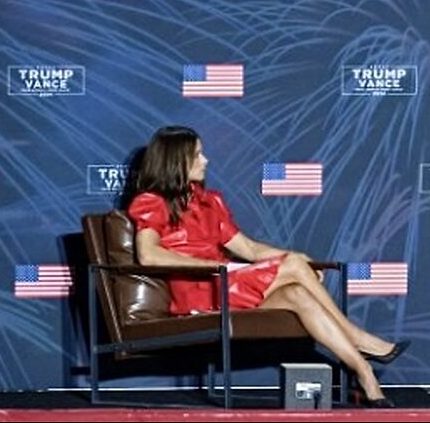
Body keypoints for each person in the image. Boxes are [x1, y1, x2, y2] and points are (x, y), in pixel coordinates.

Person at [122, 126, 408, 408]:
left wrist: (298, 259)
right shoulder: (152, 202)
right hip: (201, 290)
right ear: (177, 161)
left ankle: (366, 375)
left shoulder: (209, 202)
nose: (206, 160)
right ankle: (356, 337)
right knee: (295, 266)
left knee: (298, 293)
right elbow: (148, 255)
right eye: (197, 154)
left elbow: (249, 249)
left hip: (226, 282)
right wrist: (211, 266)